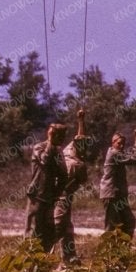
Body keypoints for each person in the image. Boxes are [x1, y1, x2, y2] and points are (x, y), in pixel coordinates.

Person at [27, 122, 70, 253]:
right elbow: (45, 160)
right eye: (59, 137)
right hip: (37, 196)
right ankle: (28, 264)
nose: (62, 140)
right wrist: (51, 142)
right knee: (33, 232)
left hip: (49, 198)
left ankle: (42, 262)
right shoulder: (39, 147)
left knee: (49, 232)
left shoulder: (58, 153)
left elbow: (63, 175)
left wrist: (56, 193)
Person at [54, 108, 91, 262]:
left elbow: (80, 136)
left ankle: (69, 256)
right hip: (62, 196)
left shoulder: (68, 151)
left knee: (67, 228)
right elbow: (83, 180)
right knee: (58, 225)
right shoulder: (76, 163)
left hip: (62, 195)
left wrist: (81, 120)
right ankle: (42, 255)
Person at [99, 127, 136, 237]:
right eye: (119, 143)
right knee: (112, 226)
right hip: (111, 195)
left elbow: (131, 156)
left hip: (118, 195)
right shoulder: (114, 154)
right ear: (113, 143)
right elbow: (134, 159)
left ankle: (123, 250)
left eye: (123, 143)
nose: (122, 146)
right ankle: (109, 252)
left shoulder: (118, 153)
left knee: (129, 221)